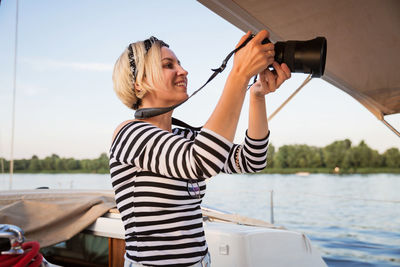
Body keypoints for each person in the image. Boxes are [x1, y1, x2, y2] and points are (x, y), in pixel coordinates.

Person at [109, 30, 291, 267]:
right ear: (140, 83)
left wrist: (256, 95)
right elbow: (201, 161)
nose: (183, 71)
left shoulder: (183, 136)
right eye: (168, 65)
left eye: (180, 64)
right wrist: (238, 74)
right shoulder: (129, 134)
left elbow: (252, 160)